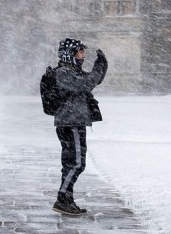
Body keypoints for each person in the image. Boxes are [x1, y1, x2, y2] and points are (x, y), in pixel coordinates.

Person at [52, 38, 108, 215]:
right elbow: (87, 83)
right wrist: (98, 68)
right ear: (70, 54)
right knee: (76, 164)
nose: (83, 56)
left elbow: (94, 81)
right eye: (80, 52)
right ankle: (62, 198)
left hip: (74, 122)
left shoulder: (72, 71)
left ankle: (67, 199)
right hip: (71, 123)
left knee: (71, 164)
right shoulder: (63, 72)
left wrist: (102, 65)